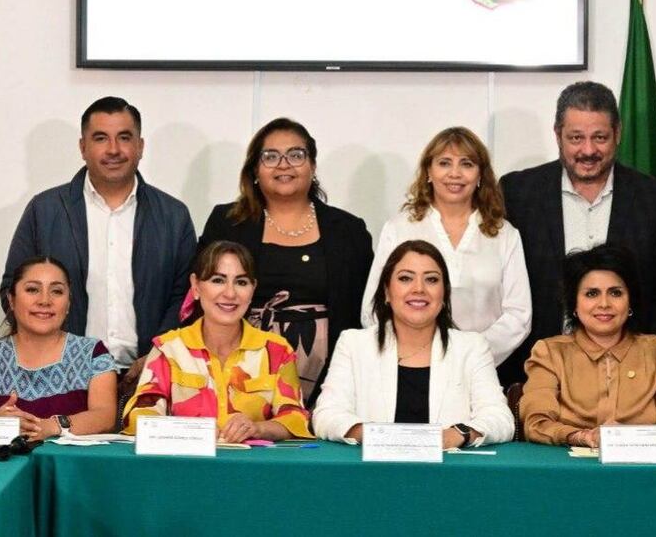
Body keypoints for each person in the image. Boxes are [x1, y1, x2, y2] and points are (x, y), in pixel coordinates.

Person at [500, 81, 656, 385]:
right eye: (576, 138)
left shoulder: (654, 198)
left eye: (599, 137)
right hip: (536, 372)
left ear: (618, 134)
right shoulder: (517, 193)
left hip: (629, 378)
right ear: (558, 135)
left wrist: (651, 365)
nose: (588, 150)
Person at [0, 96, 197, 369]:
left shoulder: (173, 216)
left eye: (124, 138)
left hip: (149, 375)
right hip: (63, 374)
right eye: (101, 138)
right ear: (83, 147)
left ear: (140, 146)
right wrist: (53, 354)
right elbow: (13, 289)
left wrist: (158, 356)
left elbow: (186, 297)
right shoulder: (44, 211)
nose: (113, 149)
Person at [198, 118, 373, 406]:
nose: (284, 165)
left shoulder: (348, 230)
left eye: (296, 155)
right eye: (270, 156)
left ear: (312, 166)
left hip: (330, 371)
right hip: (240, 367)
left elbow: (364, 310)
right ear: (255, 169)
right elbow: (203, 295)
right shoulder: (227, 222)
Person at [361, 127, 532, 386]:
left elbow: (518, 315)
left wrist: (468, 355)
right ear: (428, 172)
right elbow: (373, 308)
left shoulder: (504, 234)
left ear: (480, 175)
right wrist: (414, 353)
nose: (455, 173)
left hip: (481, 370)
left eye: (467, 164)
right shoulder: (400, 228)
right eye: (444, 163)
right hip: (407, 369)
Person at [315, 240, 515, 447]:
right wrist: (372, 434)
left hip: (448, 465)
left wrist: (459, 434)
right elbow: (326, 414)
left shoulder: (471, 347)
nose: (419, 288)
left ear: (444, 294)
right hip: (373, 466)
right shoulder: (353, 344)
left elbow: (500, 418)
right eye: (405, 278)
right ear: (386, 291)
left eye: (431, 279)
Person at [122, 241, 312, 442]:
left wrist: (257, 428)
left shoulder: (277, 350)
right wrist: (191, 430)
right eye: (218, 280)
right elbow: (139, 417)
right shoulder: (168, 348)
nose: (230, 293)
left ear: (253, 289)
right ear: (196, 286)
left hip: (253, 461)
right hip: (186, 460)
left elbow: (295, 418)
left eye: (241, 282)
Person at [520, 244, 656, 446]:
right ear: (574, 303)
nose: (604, 304)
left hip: (641, 463)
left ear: (630, 301)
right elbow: (536, 424)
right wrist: (582, 437)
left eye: (616, 293)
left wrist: (628, 438)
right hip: (567, 463)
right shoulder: (550, 353)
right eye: (592, 294)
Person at [0, 256, 117, 440]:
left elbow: (105, 417)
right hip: (4, 459)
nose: (44, 300)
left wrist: (51, 426)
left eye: (57, 291)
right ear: (11, 300)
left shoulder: (93, 353)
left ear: (68, 303)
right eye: (32, 289)